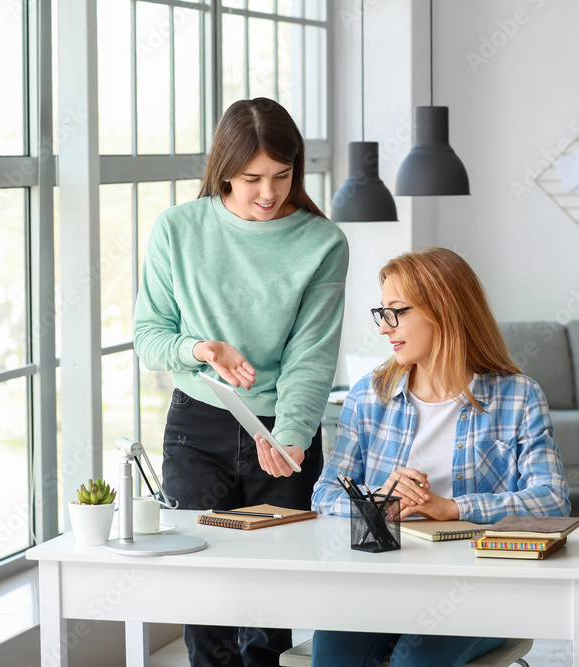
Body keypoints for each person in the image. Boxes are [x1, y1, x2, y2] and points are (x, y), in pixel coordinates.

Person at [133, 97, 349, 667]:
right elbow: (149, 337)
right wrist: (200, 349)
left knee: (268, 604)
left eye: (282, 175)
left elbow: (312, 355)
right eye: (252, 178)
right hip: (197, 426)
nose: (268, 193)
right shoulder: (178, 230)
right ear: (223, 168)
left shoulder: (322, 244)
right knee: (203, 593)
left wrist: (296, 436)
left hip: (283, 431)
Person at [310, 247, 570, 667]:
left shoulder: (517, 396)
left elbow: (552, 499)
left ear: (442, 310)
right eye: (383, 313)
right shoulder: (368, 395)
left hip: (479, 590)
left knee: (414, 663)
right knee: (333, 656)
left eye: (397, 312)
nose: (384, 328)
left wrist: (451, 508)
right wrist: (379, 499)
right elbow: (323, 495)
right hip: (382, 585)